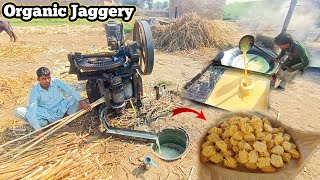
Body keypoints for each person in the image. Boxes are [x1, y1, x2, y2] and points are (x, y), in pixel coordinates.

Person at [14, 67, 92, 130]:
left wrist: (81, 102)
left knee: (76, 98)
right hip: (46, 113)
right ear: (38, 79)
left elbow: (70, 90)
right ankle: (47, 125)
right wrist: (38, 131)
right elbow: (32, 111)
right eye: (44, 79)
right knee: (19, 111)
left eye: (48, 78)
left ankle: (66, 119)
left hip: (60, 108)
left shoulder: (56, 82)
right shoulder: (35, 91)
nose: (47, 81)